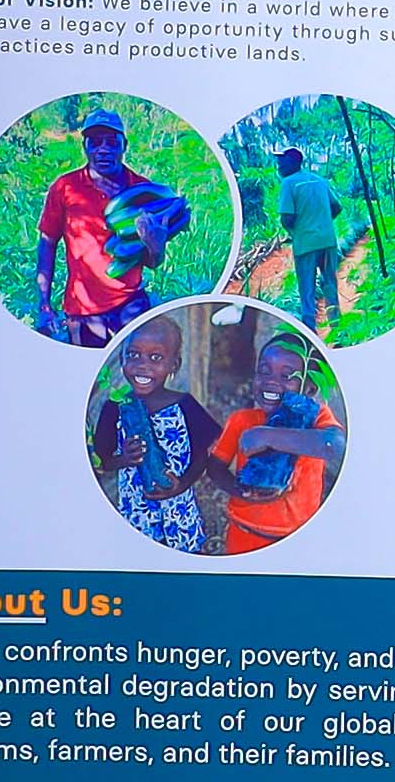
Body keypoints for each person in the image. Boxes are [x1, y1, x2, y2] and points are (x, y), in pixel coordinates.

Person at [35, 104, 178, 349]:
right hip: (83, 310)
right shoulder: (65, 188)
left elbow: (152, 262)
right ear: (85, 147)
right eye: (95, 142)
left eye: (112, 142)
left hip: (132, 304)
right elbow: (47, 243)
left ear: (124, 146)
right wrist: (44, 304)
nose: (103, 150)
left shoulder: (143, 192)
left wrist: (156, 246)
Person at [89, 318, 223, 554]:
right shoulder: (115, 407)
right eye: (133, 355)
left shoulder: (185, 405)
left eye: (156, 357)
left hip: (179, 512)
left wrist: (182, 485)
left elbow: (202, 455)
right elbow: (103, 461)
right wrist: (125, 459)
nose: (143, 366)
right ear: (122, 359)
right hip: (136, 515)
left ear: (174, 365)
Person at [212, 333, 346, 553]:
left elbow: (335, 445)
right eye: (264, 371)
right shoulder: (241, 420)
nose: (271, 381)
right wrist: (239, 490)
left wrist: (268, 436)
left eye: (287, 376)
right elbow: (215, 467)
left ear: (309, 390)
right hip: (243, 534)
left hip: (298, 540)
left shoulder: (315, 418)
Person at [271, 144, 347, 335]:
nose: (279, 165)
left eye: (282, 161)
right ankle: (337, 328)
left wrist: (295, 231)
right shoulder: (320, 180)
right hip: (328, 241)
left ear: (293, 162)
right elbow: (337, 207)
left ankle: (309, 332)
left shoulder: (289, 183)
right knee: (330, 283)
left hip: (305, 243)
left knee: (307, 289)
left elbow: (287, 217)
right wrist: (322, 222)